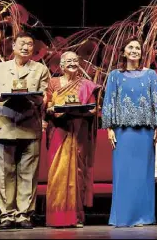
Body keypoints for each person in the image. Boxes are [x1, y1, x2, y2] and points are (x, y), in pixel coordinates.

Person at [0, 32, 50, 230]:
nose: (26, 47)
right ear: (13, 46)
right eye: (22, 44)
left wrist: (38, 98)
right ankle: (7, 214)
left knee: (28, 173)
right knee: (5, 172)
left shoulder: (40, 69)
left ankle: (24, 214)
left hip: (30, 126)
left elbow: (44, 97)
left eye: (30, 44)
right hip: (5, 125)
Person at [102, 36, 157, 227]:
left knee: (143, 175)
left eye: (138, 47)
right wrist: (109, 128)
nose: (135, 50)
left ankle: (143, 216)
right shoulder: (114, 75)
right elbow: (108, 102)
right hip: (122, 132)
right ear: (124, 51)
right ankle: (122, 216)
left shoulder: (151, 74)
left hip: (145, 132)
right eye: (131, 47)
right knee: (123, 174)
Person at [44, 51, 100, 228]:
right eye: (68, 61)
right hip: (58, 132)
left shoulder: (86, 84)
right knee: (57, 173)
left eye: (75, 60)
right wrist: (53, 109)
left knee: (77, 173)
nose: (72, 63)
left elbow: (93, 109)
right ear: (61, 65)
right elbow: (48, 105)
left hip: (79, 133)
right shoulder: (53, 83)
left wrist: (85, 111)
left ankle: (75, 217)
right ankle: (56, 217)